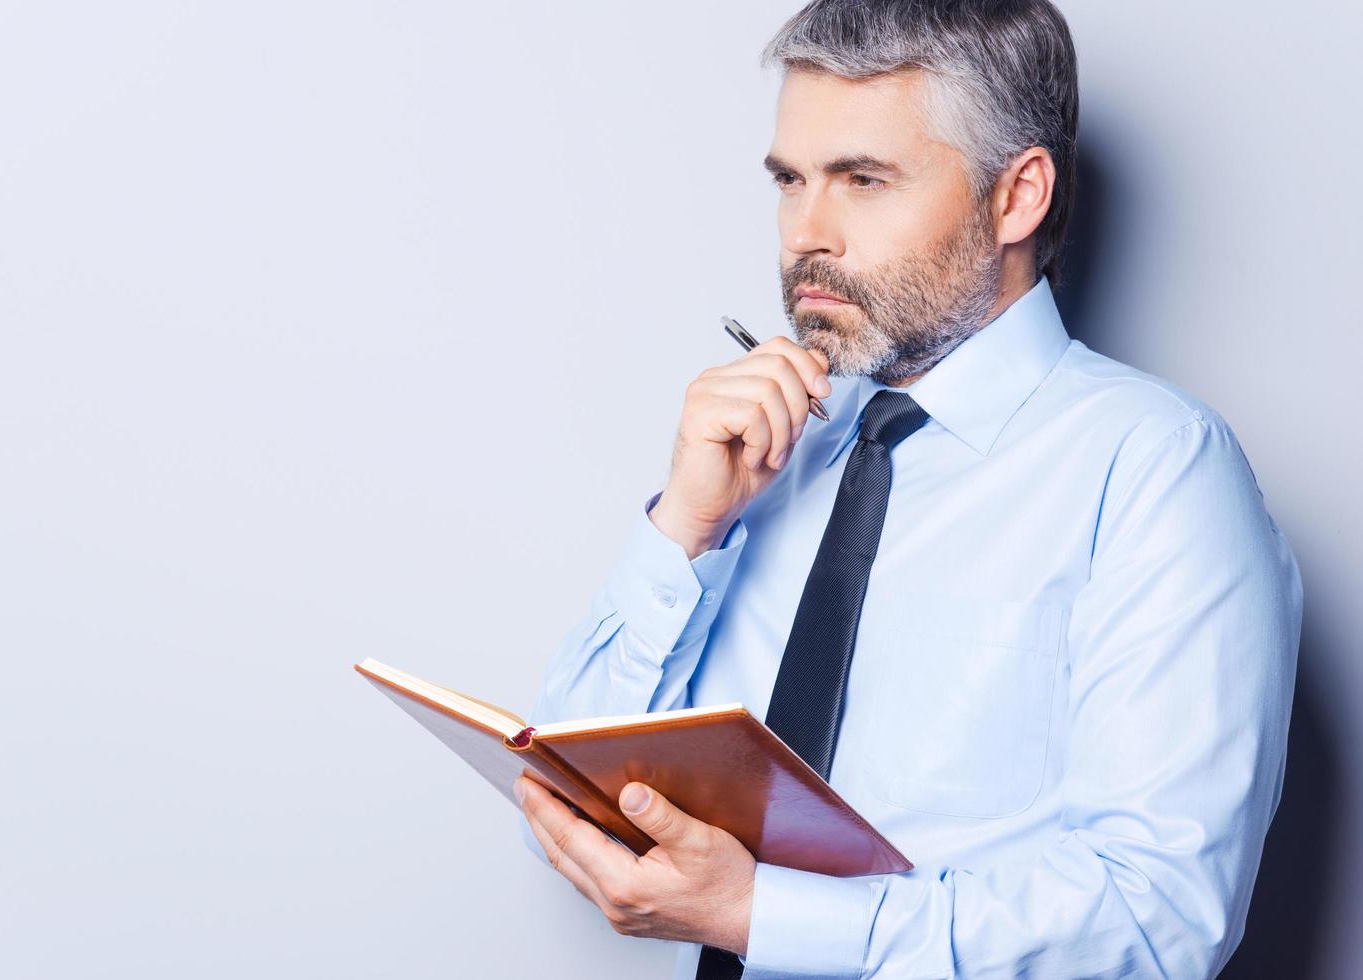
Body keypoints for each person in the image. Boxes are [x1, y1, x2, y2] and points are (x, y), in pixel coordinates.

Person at [512, 1, 1304, 977]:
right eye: (790, 179)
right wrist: (686, 525)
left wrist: (761, 912)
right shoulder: (771, 448)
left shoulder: (1154, 470)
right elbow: (562, 806)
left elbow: (1155, 917)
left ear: (1015, 196)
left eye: (861, 179)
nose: (807, 232)